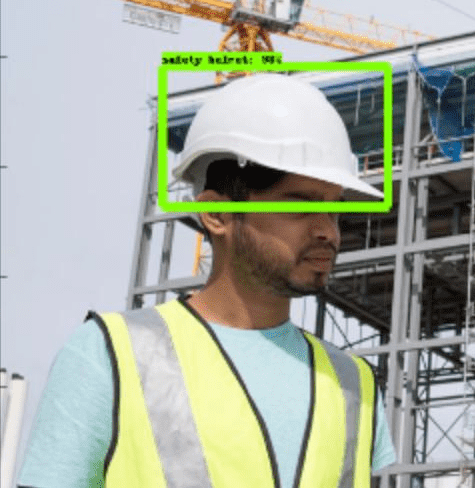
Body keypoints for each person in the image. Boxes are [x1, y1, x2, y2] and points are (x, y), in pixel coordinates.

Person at [19, 74, 396, 488]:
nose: (329, 231)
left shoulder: (354, 382)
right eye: (300, 206)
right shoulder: (110, 355)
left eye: (334, 209)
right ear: (216, 215)